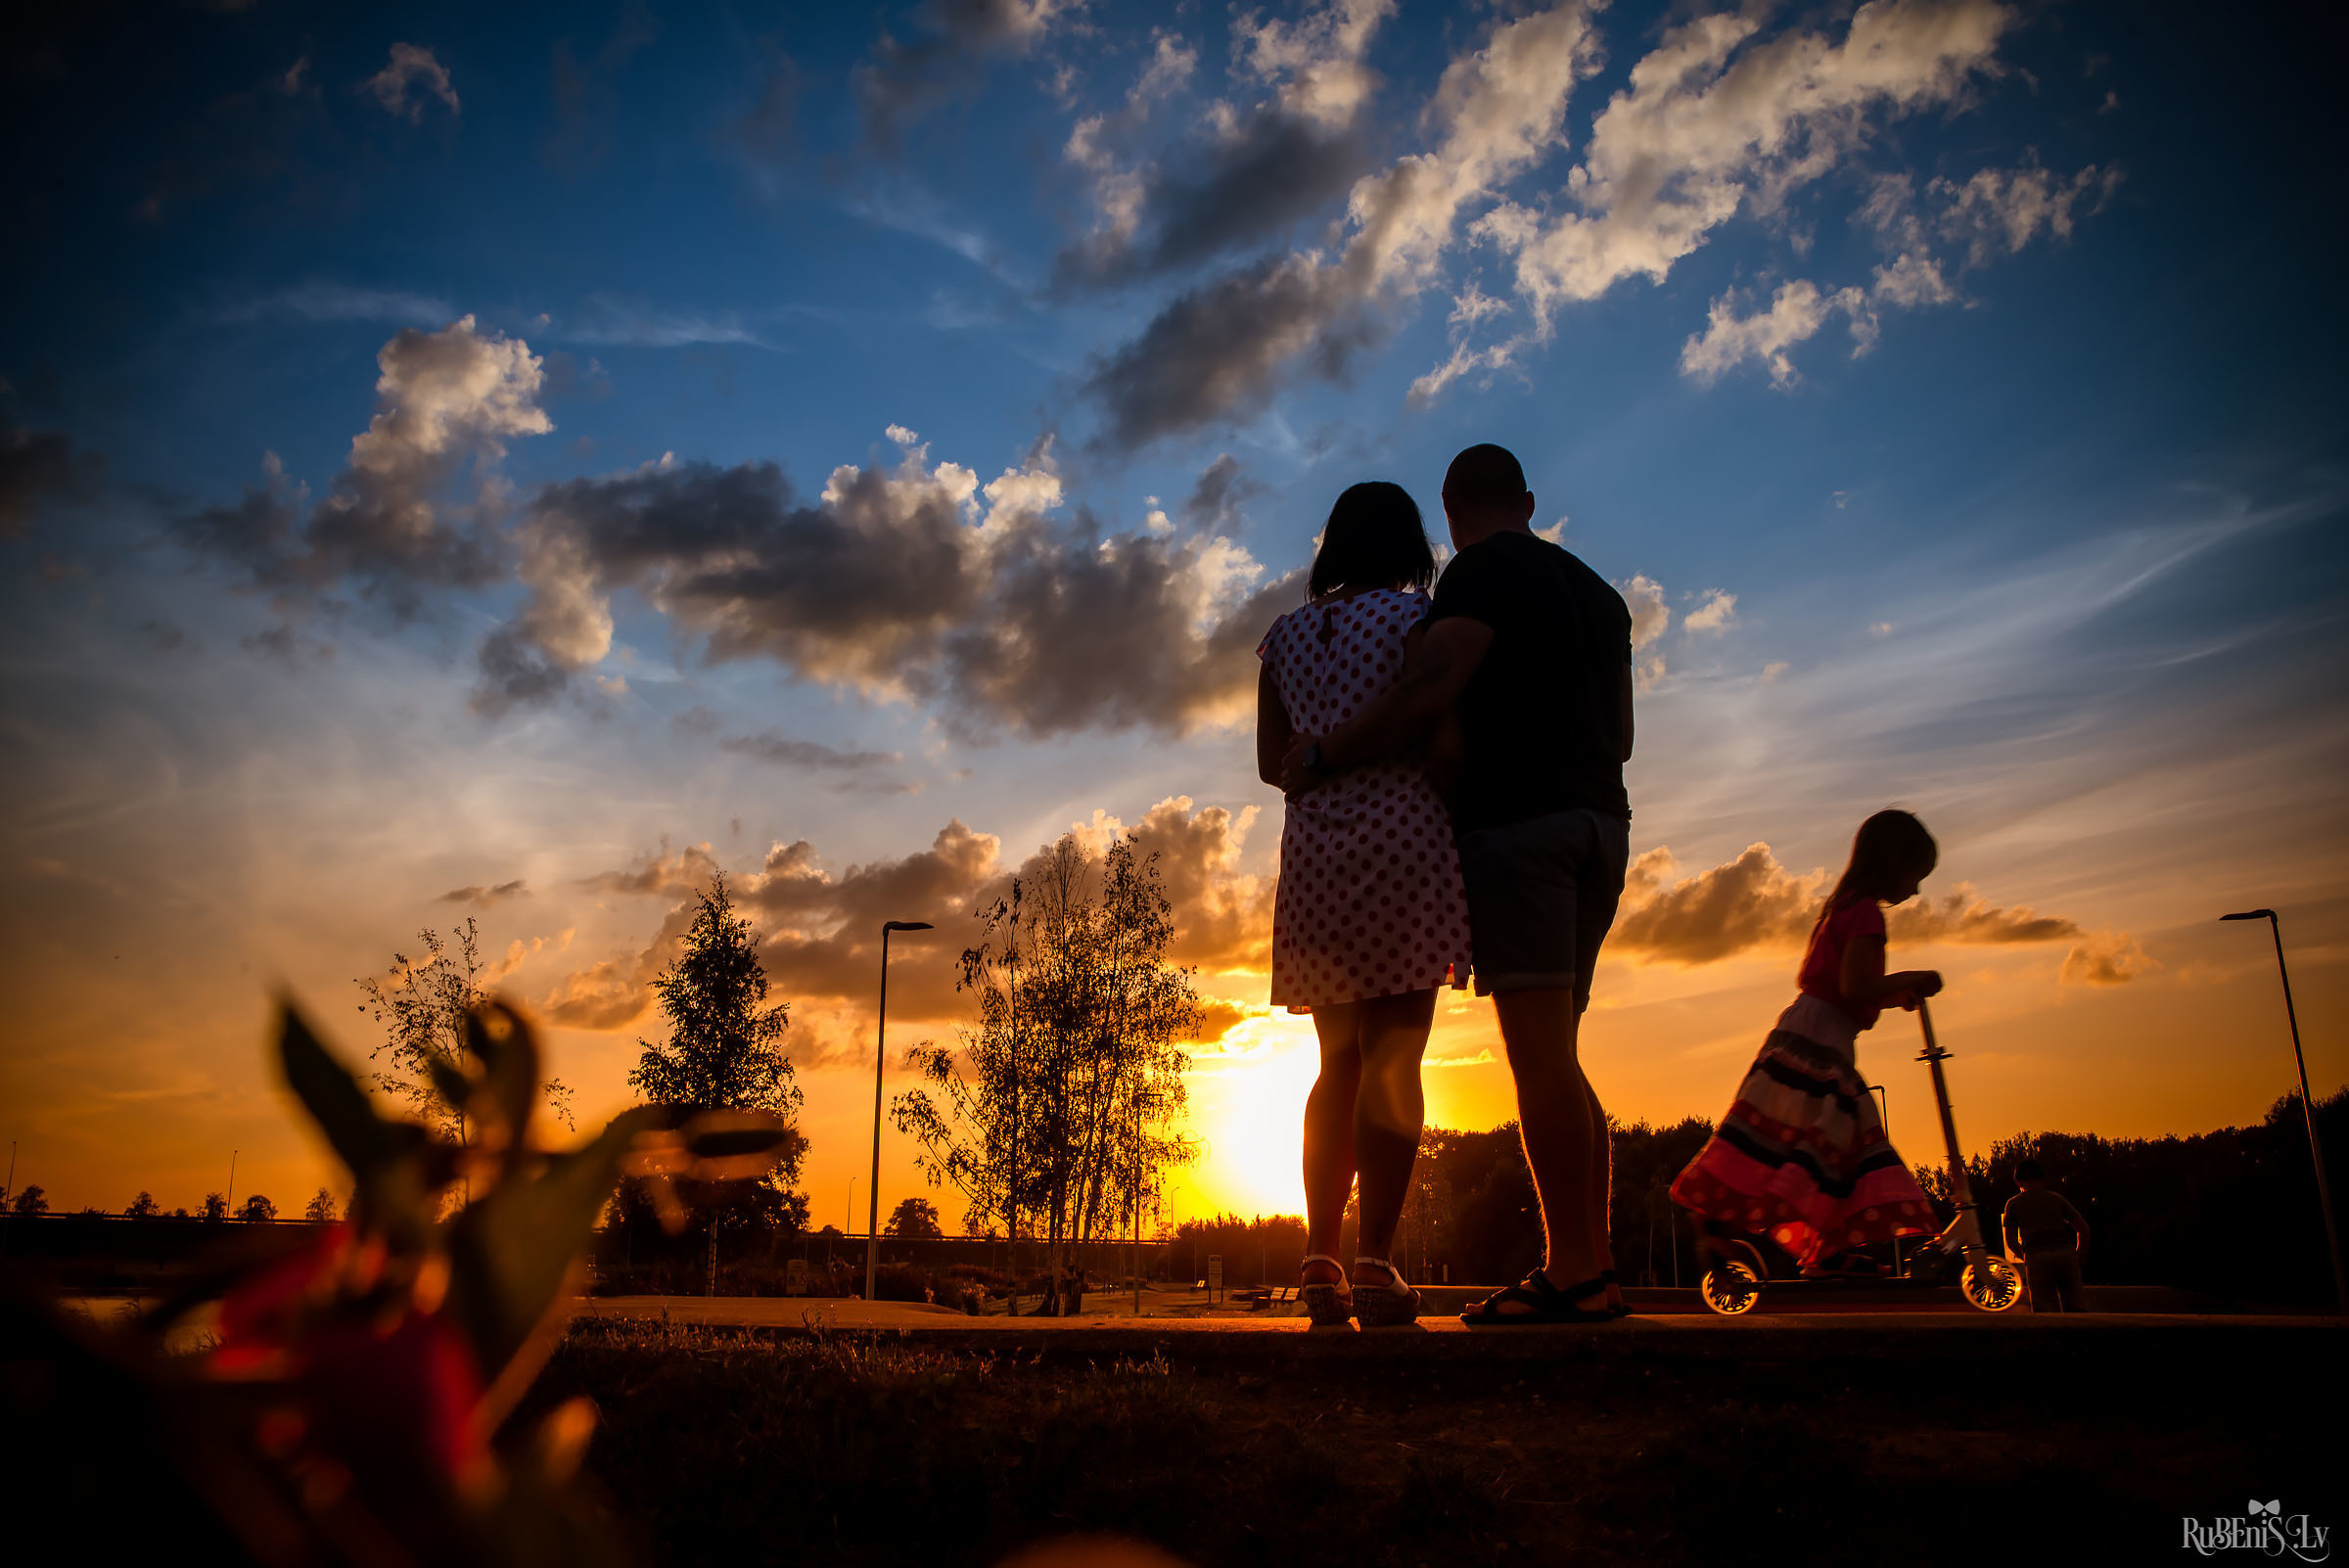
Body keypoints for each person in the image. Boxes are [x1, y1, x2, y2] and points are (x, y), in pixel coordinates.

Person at [1282, 444, 1634, 1323]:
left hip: (1521, 831)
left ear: (1452, 509)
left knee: (1528, 1056)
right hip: (1602, 824)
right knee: (1562, 1053)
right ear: (1525, 498)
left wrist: (1326, 752)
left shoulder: (1477, 577)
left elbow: (1432, 698)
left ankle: (1574, 1274)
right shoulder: (1600, 593)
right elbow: (1621, 734)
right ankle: (1587, 1263)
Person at [1258, 481, 1473, 1326]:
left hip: (1315, 854)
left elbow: (1275, 761)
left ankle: (1320, 1255)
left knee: (1336, 1062)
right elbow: (1444, 737)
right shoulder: (1418, 619)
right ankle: (1377, 1263)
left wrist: (1321, 764)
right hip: (1403, 843)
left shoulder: (1284, 638)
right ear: (1409, 544)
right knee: (1396, 1059)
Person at [1670, 809, 1945, 1274]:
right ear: (1893, 863)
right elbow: (1855, 987)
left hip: (1807, 1031)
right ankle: (1819, 1248)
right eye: (1914, 876)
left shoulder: (1843, 907)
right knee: (1832, 1141)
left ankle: (1770, 1232)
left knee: (1791, 1137)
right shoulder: (1866, 916)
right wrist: (1915, 977)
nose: (1915, 891)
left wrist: (1894, 993)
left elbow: (1844, 986)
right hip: (1820, 1042)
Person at [2002, 1158, 2090, 1313]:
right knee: (2076, 1309)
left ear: (2018, 1182)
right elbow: (2083, 1229)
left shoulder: (2014, 1204)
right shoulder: (2056, 1199)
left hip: (2037, 1257)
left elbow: (2011, 1240)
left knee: (2045, 1311)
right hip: (2066, 1255)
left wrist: (2026, 1257)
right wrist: (2079, 1255)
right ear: (2043, 1179)